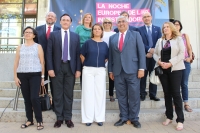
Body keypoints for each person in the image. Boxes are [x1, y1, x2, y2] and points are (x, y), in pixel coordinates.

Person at [108, 16, 146, 128]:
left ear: (127, 23)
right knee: (121, 96)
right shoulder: (113, 38)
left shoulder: (135, 35)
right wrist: (110, 70)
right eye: (119, 22)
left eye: (123, 21)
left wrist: (141, 69)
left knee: (134, 95)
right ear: (116, 25)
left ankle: (134, 118)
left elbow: (141, 52)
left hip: (133, 70)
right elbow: (111, 56)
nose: (121, 23)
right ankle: (124, 117)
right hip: (118, 72)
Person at [46, 13, 81, 128]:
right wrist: (50, 68)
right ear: (60, 22)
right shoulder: (53, 35)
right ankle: (59, 118)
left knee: (69, 94)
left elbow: (77, 54)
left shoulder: (75, 36)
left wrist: (78, 69)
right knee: (57, 94)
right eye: (63, 20)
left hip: (70, 68)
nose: (65, 22)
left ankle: (68, 118)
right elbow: (49, 53)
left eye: (68, 20)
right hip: (57, 67)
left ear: (71, 23)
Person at [153, 22, 185, 131]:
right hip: (163, 69)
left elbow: (182, 53)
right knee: (167, 93)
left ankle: (180, 120)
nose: (165, 29)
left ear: (171, 28)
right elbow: (155, 53)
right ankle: (169, 116)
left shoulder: (178, 39)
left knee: (176, 93)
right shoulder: (160, 40)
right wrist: (159, 62)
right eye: (164, 27)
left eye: (167, 27)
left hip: (175, 69)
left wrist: (170, 63)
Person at [14, 26, 44, 130]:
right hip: (22, 74)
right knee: (27, 99)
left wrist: (42, 77)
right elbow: (16, 62)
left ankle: (39, 120)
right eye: (26, 32)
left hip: (35, 74)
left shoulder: (38, 46)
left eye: (30, 32)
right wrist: (15, 77)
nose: (27, 34)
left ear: (34, 35)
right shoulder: (20, 47)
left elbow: (42, 62)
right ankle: (29, 120)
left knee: (34, 98)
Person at [80, 23, 108, 126]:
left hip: (100, 70)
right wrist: (87, 64)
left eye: (98, 29)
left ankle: (99, 118)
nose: (96, 30)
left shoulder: (105, 44)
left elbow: (106, 57)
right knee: (88, 93)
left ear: (101, 31)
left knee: (100, 94)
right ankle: (88, 118)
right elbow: (82, 56)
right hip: (88, 70)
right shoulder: (88, 42)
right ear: (92, 31)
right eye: (95, 29)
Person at [35, 12, 60, 104]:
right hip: (41, 62)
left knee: (55, 84)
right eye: (48, 16)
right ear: (45, 17)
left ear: (55, 19)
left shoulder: (59, 30)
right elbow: (35, 44)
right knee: (42, 82)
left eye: (52, 16)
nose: (50, 17)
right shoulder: (37, 29)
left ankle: (55, 104)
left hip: (54, 62)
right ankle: (44, 103)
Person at [137, 12, 161, 101]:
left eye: (148, 16)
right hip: (144, 56)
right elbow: (139, 42)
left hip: (155, 56)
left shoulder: (158, 29)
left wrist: (153, 51)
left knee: (154, 74)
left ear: (151, 17)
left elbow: (159, 41)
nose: (146, 18)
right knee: (143, 76)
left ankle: (153, 94)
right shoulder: (139, 30)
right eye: (144, 17)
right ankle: (142, 94)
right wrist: (148, 50)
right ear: (142, 19)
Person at [173, 20, 193, 112]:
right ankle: (175, 103)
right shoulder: (172, 37)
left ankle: (186, 103)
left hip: (185, 62)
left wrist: (190, 57)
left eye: (177, 24)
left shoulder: (185, 36)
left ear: (180, 26)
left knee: (184, 83)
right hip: (176, 62)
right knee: (175, 84)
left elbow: (189, 48)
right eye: (174, 25)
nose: (176, 26)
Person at [75, 13, 93, 87]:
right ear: (83, 19)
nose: (87, 19)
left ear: (91, 20)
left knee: (89, 72)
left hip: (90, 52)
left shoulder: (93, 29)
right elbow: (75, 39)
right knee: (82, 72)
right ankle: (84, 93)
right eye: (86, 17)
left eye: (89, 17)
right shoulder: (78, 28)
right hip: (80, 51)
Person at [102, 18, 116, 102]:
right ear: (103, 24)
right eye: (105, 22)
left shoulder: (114, 34)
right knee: (101, 78)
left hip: (112, 58)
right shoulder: (101, 33)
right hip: (102, 58)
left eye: (109, 22)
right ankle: (101, 94)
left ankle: (111, 94)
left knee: (112, 77)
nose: (107, 24)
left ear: (111, 24)